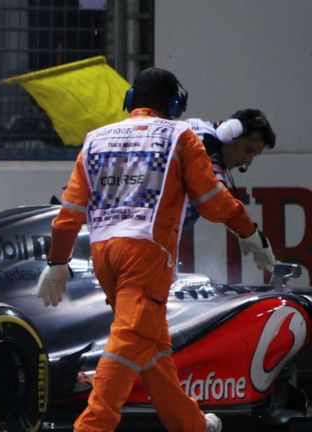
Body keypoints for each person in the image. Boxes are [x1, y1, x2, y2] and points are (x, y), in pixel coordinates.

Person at [35, 68, 276, 432]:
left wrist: (57, 262)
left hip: (104, 256)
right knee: (129, 340)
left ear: (131, 99)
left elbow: (68, 214)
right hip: (146, 256)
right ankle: (92, 427)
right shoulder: (180, 136)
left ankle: (190, 424)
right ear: (174, 104)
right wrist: (250, 233)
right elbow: (213, 201)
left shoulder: (96, 139)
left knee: (153, 347)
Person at [183, 109, 276, 227]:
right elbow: (220, 203)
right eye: (248, 150)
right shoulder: (203, 143)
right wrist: (250, 232)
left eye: (254, 155)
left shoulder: (199, 132)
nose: (248, 162)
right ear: (230, 134)